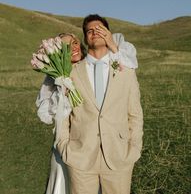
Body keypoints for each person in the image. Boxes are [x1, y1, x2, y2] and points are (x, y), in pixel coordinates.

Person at [36, 29, 139, 194]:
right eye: (65, 48)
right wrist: (62, 93)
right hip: (73, 150)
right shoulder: (56, 77)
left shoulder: (97, 63)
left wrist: (133, 145)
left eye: (75, 43)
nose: (73, 48)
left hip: (105, 151)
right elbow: (47, 115)